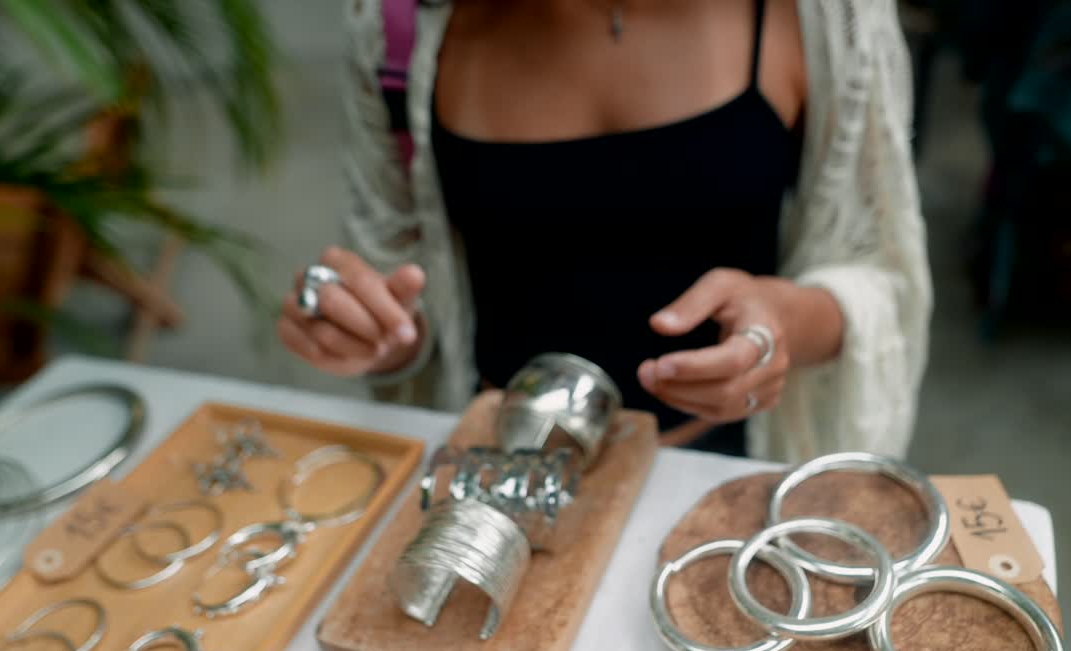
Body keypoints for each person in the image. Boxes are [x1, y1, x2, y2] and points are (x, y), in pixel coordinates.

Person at [278, 0, 932, 462]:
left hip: (718, 469)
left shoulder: (821, 16)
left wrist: (786, 321)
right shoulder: (400, 24)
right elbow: (406, 288)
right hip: (495, 462)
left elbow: (880, 265)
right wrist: (369, 328)